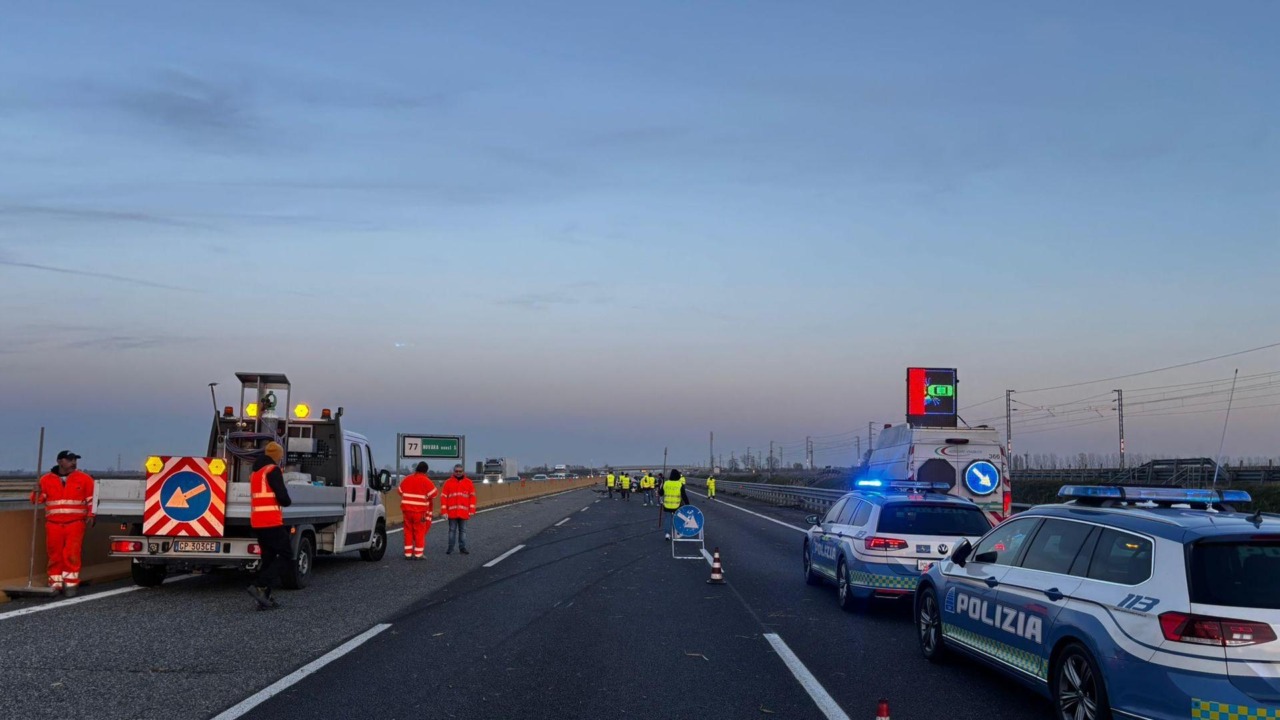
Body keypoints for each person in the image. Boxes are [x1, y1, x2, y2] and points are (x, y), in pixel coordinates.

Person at [30, 451, 95, 598]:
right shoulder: (46, 480)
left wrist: (91, 515)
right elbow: (37, 500)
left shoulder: (84, 479)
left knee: (72, 554)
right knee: (55, 554)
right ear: (60, 461)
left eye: (75, 460)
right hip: (53, 524)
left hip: (75, 523)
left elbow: (91, 500)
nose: (74, 462)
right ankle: (55, 583)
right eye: (70, 460)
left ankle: (70, 584)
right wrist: (36, 492)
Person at [248, 441, 292, 610]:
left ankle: (264, 599)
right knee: (287, 554)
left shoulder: (256, 473)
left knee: (269, 558)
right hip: (271, 521)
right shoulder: (273, 470)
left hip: (257, 521)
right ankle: (259, 584)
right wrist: (287, 500)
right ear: (277, 456)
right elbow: (283, 498)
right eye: (280, 456)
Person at [397, 462, 438, 560]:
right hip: (420, 511)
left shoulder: (407, 479)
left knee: (408, 531)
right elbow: (434, 494)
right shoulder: (426, 481)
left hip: (406, 510)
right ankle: (418, 554)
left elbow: (399, 491)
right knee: (419, 532)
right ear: (426, 471)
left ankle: (408, 554)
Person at [442, 464, 476, 555]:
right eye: (456, 471)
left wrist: (472, 510)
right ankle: (450, 548)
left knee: (463, 531)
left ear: (463, 472)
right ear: (454, 472)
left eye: (460, 471)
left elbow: (472, 497)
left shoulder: (468, 482)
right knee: (452, 530)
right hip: (452, 512)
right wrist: (444, 511)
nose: (458, 473)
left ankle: (462, 548)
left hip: (463, 512)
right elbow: (443, 497)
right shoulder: (448, 482)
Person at [661, 469, 689, 541]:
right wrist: (687, 504)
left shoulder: (666, 483)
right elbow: (684, 496)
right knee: (678, 519)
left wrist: (661, 485)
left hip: (667, 505)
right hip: (677, 505)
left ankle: (667, 534)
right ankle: (677, 533)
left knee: (668, 519)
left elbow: (660, 493)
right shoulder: (679, 484)